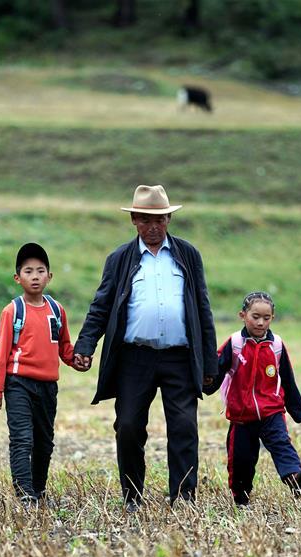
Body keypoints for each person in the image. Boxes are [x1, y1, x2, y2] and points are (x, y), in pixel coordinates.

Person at [73, 184, 218, 510]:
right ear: (134, 221)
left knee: (184, 427)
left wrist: (210, 363)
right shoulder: (119, 259)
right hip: (134, 358)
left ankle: (184, 498)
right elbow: (101, 306)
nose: (153, 227)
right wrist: (85, 345)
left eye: (159, 220)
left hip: (179, 357)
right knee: (127, 426)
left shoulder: (188, 255)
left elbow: (202, 309)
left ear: (168, 219)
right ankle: (132, 497)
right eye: (146, 220)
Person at [0, 242, 81, 506]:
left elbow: (64, 347)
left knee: (44, 442)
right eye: (28, 271)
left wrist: (77, 359)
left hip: (48, 387)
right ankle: (25, 494)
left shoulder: (57, 310)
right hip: (18, 384)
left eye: (40, 271)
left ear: (49, 276)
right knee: (22, 439)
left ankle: (38, 491)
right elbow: (2, 352)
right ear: (18, 278)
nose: (35, 276)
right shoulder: (12, 311)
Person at [204, 291, 301, 506]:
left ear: (272, 318)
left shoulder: (276, 345)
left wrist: (298, 411)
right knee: (241, 461)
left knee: (282, 445)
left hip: (271, 411)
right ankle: (240, 497)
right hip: (241, 416)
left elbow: (287, 379)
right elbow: (217, 369)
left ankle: (295, 478)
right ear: (243, 315)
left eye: (266, 318)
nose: (261, 322)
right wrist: (206, 384)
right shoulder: (235, 343)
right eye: (255, 317)